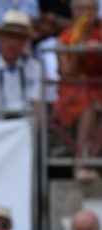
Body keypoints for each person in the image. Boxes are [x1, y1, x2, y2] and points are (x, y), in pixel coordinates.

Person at [55, 0, 102, 181]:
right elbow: (67, 73)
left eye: (89, 8)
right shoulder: (64, 39)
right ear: (74, 12)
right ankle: (82, 162)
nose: (85, 12)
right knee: (89, 103)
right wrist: (78, 52)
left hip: (97, 86)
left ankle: (87, 159)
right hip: (74, 90)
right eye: (81, 8)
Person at [0, 10, 42, 115]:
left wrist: (30, 130)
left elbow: (38, 107)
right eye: (9, 37)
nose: (13, 43)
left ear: (25, 41)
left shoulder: (36, 68)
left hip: (26, 127)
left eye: (18, 38)